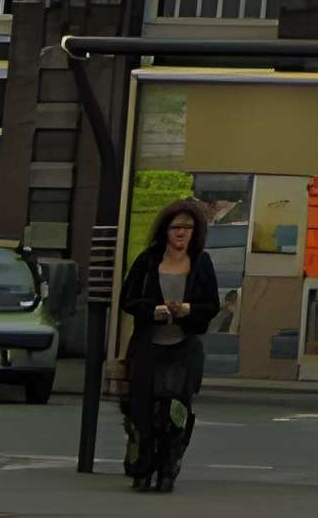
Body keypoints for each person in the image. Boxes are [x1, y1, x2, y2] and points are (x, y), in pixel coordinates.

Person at [117, 200, 222, 493]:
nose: (182, 233)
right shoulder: (148, 260)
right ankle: (142, 468)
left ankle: (167, 470)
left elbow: (211, 304)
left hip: (182, 350)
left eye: (188, 228)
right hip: (149, 347)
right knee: (143, 413)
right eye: (176, 227)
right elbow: (128, 299)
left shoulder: (202, 262)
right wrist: (154, 310)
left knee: (175, 413)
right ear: (165, 230)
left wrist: (189, 310)